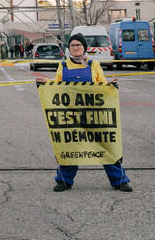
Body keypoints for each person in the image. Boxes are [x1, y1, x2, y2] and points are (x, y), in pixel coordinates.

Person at [38, 32, 132, 193]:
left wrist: (111, 85)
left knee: (105, 145)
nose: (76, 48)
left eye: (78, 45)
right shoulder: (64, 65)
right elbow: (58, 86)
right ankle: (64, 180)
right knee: (69, 146)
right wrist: (45, 83)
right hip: (71, 116)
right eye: (73, 45)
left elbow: (101, 84)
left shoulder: (93, 64)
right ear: (69, 48)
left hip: (93, 115)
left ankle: (119, 181)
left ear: (84, 48)